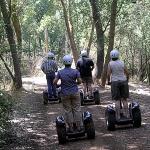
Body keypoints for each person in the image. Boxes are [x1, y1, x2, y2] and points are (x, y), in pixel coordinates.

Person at [53, 54, 82, 132]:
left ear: (64, 62)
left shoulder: (60, 72)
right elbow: (79, 81)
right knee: (77, 109)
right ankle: (79, 127)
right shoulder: (75, 71)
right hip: (75, 92)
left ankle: (71, 128)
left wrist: (59, 85)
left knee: (68, 110)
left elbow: (54, 82)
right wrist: (75, 83)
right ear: (71, 61)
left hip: (64, 93)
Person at [107, 49, 129, 119]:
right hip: (123, 81)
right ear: (118, 55)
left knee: (117, 100)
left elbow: (108, 74)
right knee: (124, 99)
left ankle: (118, 116)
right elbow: (127, 73)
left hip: (115, 82)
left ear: (111, 56)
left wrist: (109, 81)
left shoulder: (110, 63)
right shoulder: (122, 62)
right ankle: (127, 115)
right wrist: (127, 80)